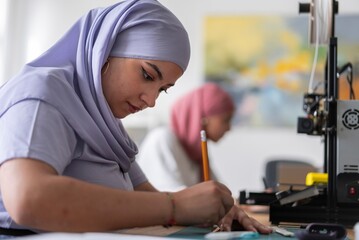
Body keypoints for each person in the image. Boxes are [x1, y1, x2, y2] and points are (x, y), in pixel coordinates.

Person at [0, 0, 272, 236]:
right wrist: (176, 206)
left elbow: (145, 197)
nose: (151, 100)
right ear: (105, 49)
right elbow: (27, 198)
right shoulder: (43, 92)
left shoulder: (106, 127)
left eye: (162, 89)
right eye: (147, 75)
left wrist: (215, 207)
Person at [137, 83, 235, 191]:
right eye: (226, 120)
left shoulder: (196, 153)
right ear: (203, 117)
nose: (229, 128)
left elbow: (219, 191)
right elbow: (169, 197)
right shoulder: (162, 139)